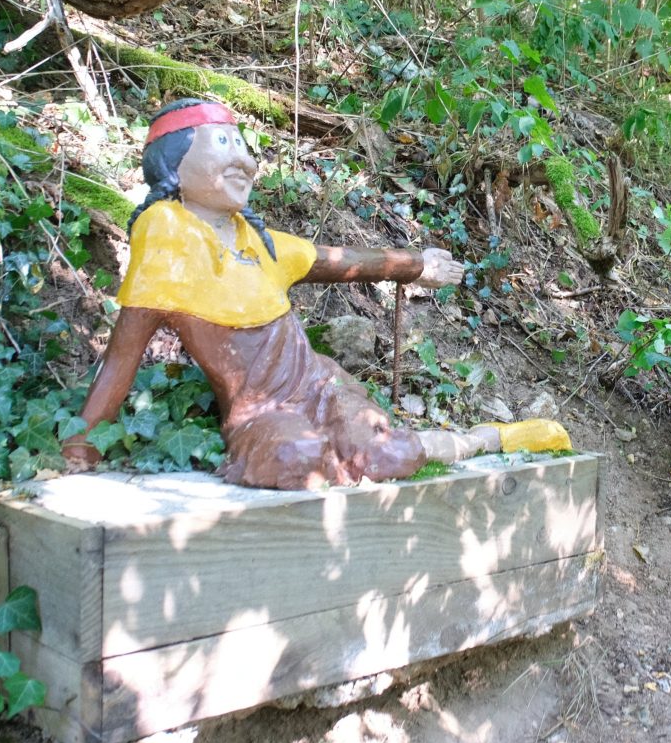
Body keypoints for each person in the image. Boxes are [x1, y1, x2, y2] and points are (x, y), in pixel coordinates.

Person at [60, 99, 569, 489]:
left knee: (393, 457)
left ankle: (490, 438)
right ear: (173, 161)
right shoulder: (165, 231)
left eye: (245, 147)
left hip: (320, 385)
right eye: (222, 145)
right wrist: (80, 449)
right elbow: (122, 354)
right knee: (295, 459)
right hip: (260, 413)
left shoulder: (258, 242)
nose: (245, 162)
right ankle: (342, 459)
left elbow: (342, 261)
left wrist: (418, 266)